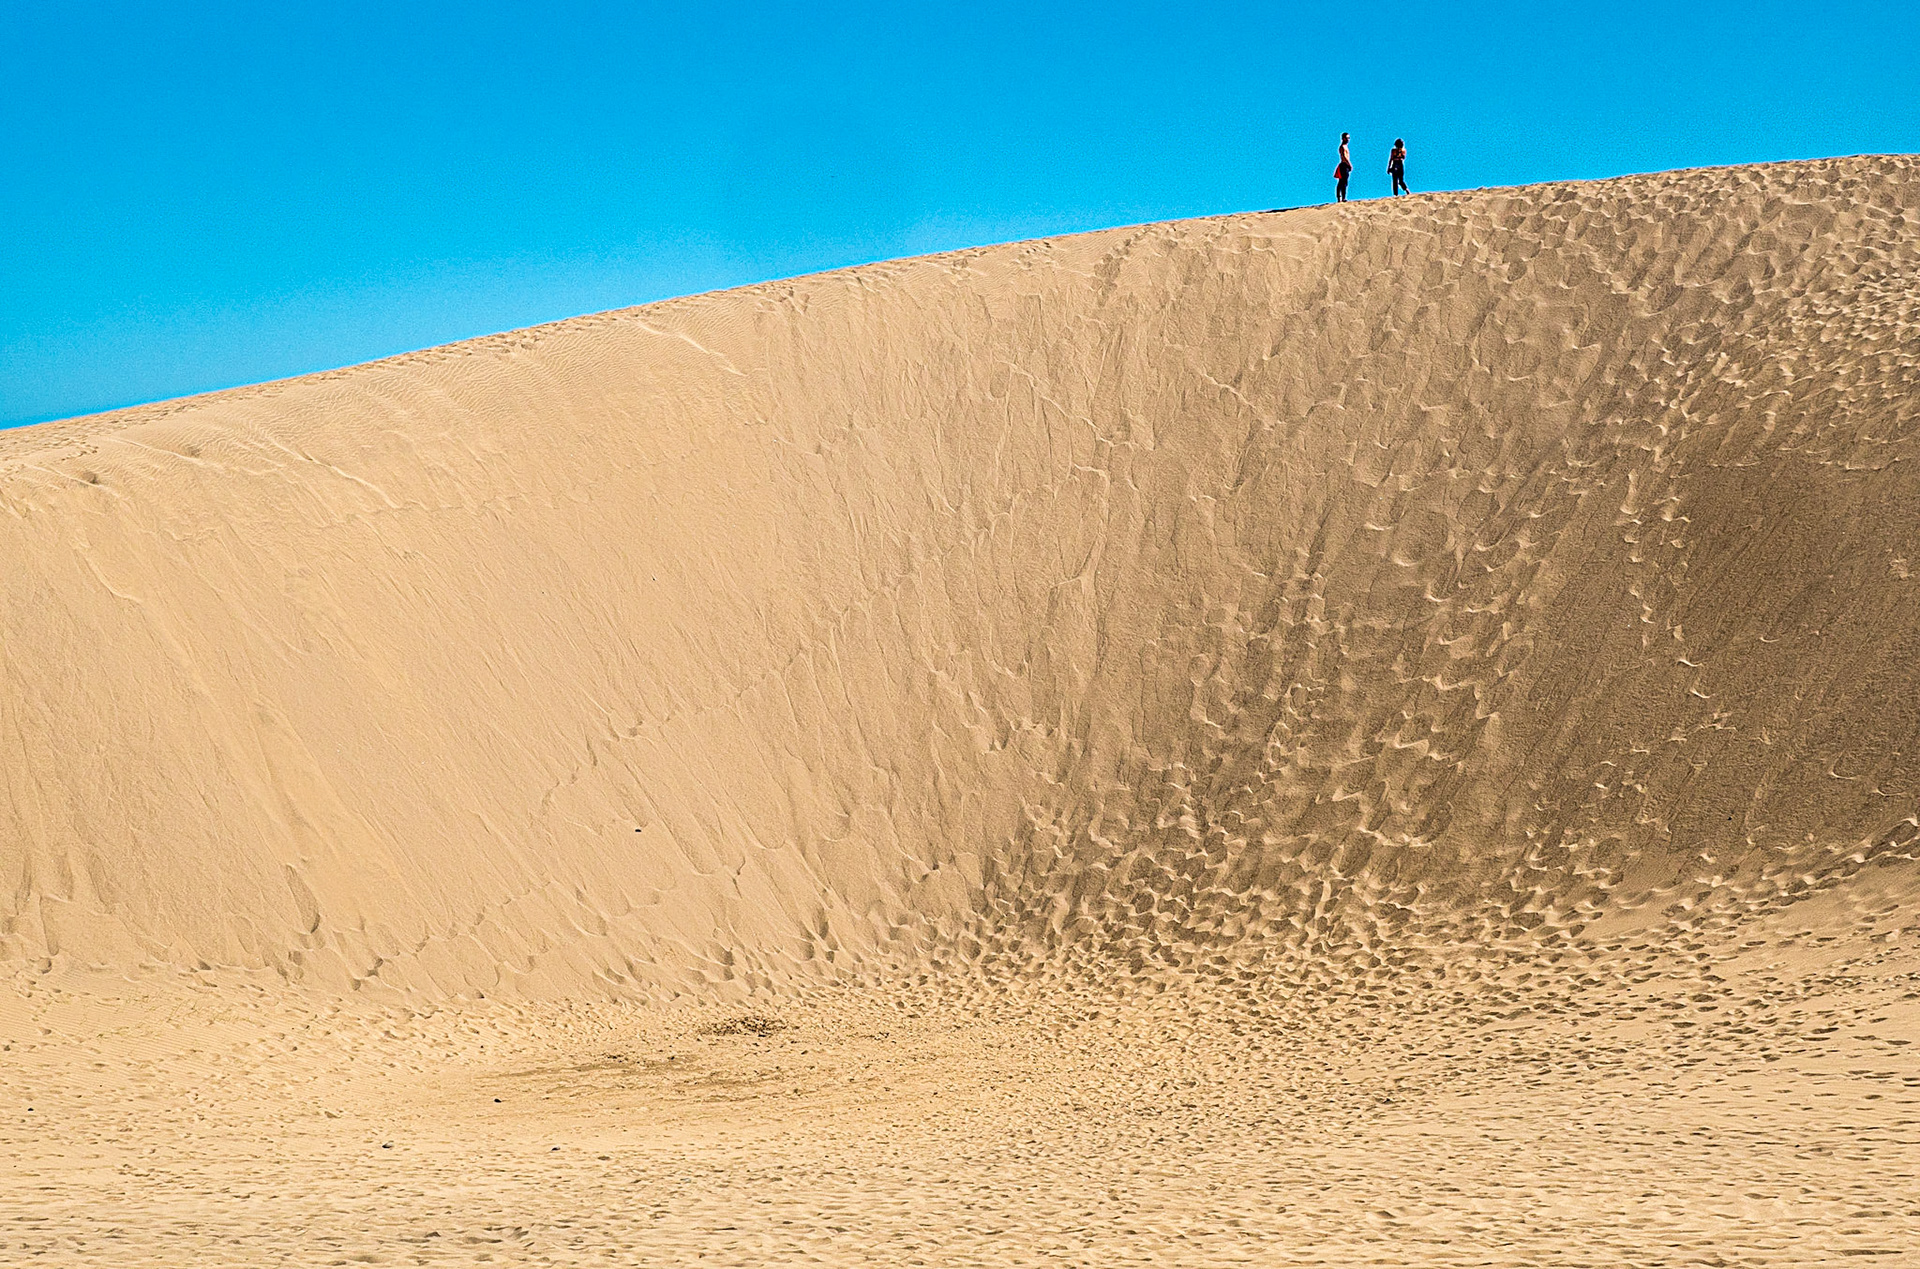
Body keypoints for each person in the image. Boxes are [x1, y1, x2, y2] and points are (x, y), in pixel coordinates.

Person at [1335, 133, 1352, 202]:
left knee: (1344, 182)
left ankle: (1342, 197)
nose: (1348, 139)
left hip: (1345, 165)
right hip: (1344, 165)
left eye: (1348, 138)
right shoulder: (1342, 147)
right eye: (1347, 138)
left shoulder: (1345, 146)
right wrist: (1349, 164)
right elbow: (1344, 157)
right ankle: (1341, 197)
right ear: (1343, 138)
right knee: (1342, 182)